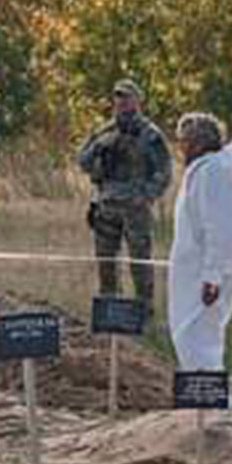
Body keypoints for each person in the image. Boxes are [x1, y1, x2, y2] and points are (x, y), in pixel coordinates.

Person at [75, 78, 172, 317]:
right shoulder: (104, 130)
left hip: (135, 207)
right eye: (118, 98)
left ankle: (144, 312)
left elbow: (164, 170)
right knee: (106, 260)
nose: (122, 103)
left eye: (127, 98)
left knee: (139, 261)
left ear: (137, 102)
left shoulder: (150, 134)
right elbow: (83, 161)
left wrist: (148, 195)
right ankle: (109, 311)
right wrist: (98, 146)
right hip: (106, 205)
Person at [166, 113, 232, 376]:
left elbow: (223, 229)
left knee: (199, 342)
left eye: (184, 141)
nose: (180, 148)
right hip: (195, 273)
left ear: (197, 143)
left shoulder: (214, 172)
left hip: (207, 275)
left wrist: (213, 276)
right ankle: (203, 407)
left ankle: (212, 406)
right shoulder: (206, 170)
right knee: (192, 340)